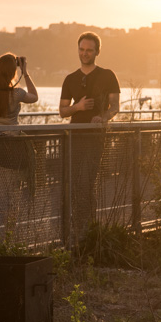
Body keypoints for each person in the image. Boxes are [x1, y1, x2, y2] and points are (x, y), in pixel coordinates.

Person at [59, 32, 120, 236]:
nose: (85, 53)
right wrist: (78, 107)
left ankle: (89, 230)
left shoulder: (107, 75)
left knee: (87, 182)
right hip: (74, 137)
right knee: (74, 184)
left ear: (97, 52)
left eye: (89, 50)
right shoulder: (70, 79)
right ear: (78, 50)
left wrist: (102, 118)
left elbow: (115, 107)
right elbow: (62, 111)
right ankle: (78, 228)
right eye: (82, 49)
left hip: (95, 138)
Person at [0, 52, 39, 236]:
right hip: (13, 149)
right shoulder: (17, 94)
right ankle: (9, 240)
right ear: (12, 73)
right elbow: (34, 96)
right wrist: (25, 72)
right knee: (13, 197)